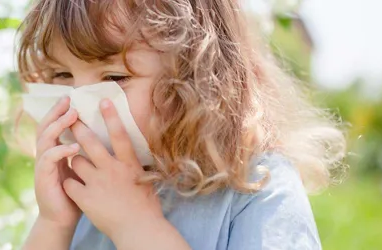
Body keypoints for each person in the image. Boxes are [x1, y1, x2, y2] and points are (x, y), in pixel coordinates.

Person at [17, 0, 346, 249]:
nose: (79, 105)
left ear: (196, 76)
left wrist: (136, 226)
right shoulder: (89, 187)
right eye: (61, 75)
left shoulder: (257, 186)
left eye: (114, 77)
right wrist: (54, 223)